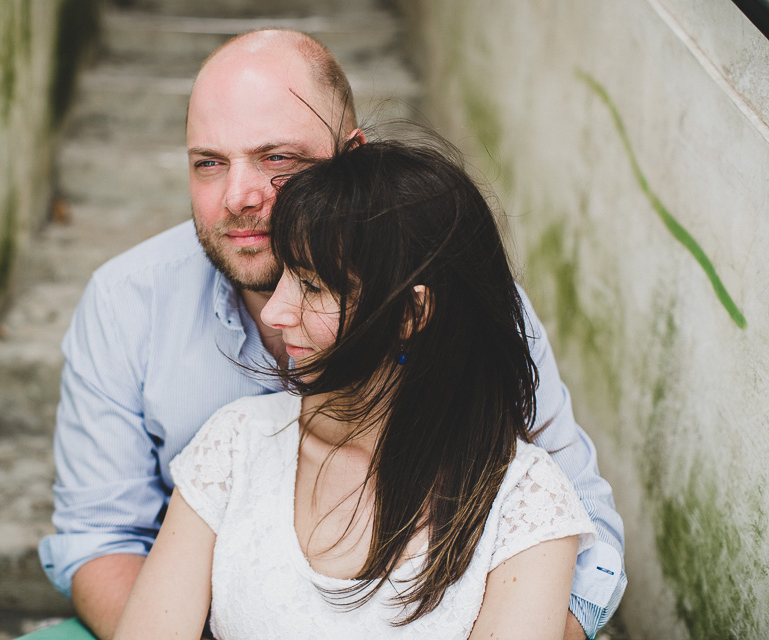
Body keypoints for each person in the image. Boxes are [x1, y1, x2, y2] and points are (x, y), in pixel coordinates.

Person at [39, 29, 625, 640]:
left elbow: (575, 527)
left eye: (278, 160)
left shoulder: (474, 313)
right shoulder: (132, 310)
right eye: (209, 163)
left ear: (356, 159)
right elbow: (102, 538)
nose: (238, 197)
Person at [114, 136, 598, 640]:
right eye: (284, 277)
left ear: (412, 313)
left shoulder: (523, 502)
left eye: (313, 286)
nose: (276, 313)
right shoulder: (237, 443)